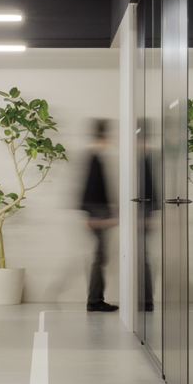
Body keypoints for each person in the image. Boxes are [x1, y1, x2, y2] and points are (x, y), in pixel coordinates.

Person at [79, 118, 120, 312]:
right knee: (99, 258)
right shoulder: (94, 156)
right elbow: (91, 191)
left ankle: (95, 299)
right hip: (97, 213)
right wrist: (97, 217)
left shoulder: (96, 155)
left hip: (98, 212)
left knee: (100, 258)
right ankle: (94, 300)